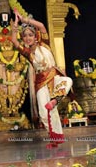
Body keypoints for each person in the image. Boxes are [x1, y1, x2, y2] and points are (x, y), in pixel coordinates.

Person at [11, 9, 73, 149]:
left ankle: (54, 100)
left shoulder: (44, 43)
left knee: (68, 81)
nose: (28, 38)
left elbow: (41, 26)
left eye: (30, 35)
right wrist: (15, 23)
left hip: (54, 76)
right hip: (40, 82)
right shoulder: (27, 53)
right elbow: (14, 41)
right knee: (44, 113)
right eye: (25, 36)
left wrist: (24, 20)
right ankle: (55, 139)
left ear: (35, 36)